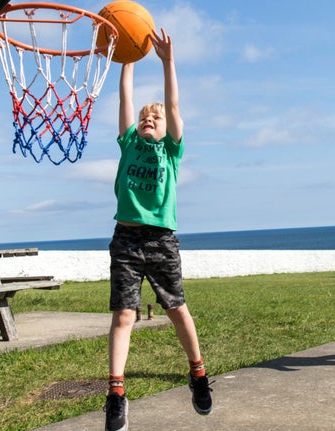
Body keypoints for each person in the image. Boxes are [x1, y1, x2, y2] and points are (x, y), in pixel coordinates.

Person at [103, 28, 212, 431]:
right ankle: (116, 393)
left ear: (167, 129)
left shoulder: (172, 150)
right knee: (123, 316)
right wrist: (127, 59)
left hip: (162, 240)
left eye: (156, 117)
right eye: (146, 117)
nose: (150, 118)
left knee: (177, 309)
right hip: (126, 240)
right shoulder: (130, 141)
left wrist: (168, 62)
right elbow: (125, 99)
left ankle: (198, 374)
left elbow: (174, 103)